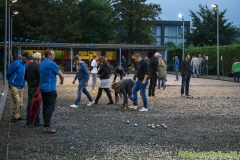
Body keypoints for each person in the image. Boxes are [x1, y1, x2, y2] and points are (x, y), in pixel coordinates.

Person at [40, 49, 64, 133]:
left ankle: (45, 124)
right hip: (50, 88)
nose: (54, 56)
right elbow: (61, 75)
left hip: (43, 88)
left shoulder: (41, 63)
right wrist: (62, 81)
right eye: (53, 54)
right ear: (49, 55)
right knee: (51, 106)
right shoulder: (52, 63)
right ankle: (46, 125)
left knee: (45, 106)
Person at [7, 52, 31, 122]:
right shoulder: (16, 63)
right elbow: (9, 72)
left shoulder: (26, 65)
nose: (27, 59)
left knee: (20, 102)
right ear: (23, 57)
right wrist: (11, 81)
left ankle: (17, 115)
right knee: (17, 101)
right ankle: (15, 116)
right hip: (14, 85)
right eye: (26, 58)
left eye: (28, 58)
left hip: (21, 86)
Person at [24, 52, 42, 127]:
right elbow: (40, 77)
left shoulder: (28, 66)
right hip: (36, 87)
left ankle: (29, 119)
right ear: (38, 59)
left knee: (30, 103)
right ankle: (35, 120)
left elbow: (25, 77)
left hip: (30, 86)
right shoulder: (38, 66)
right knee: (36, 104)